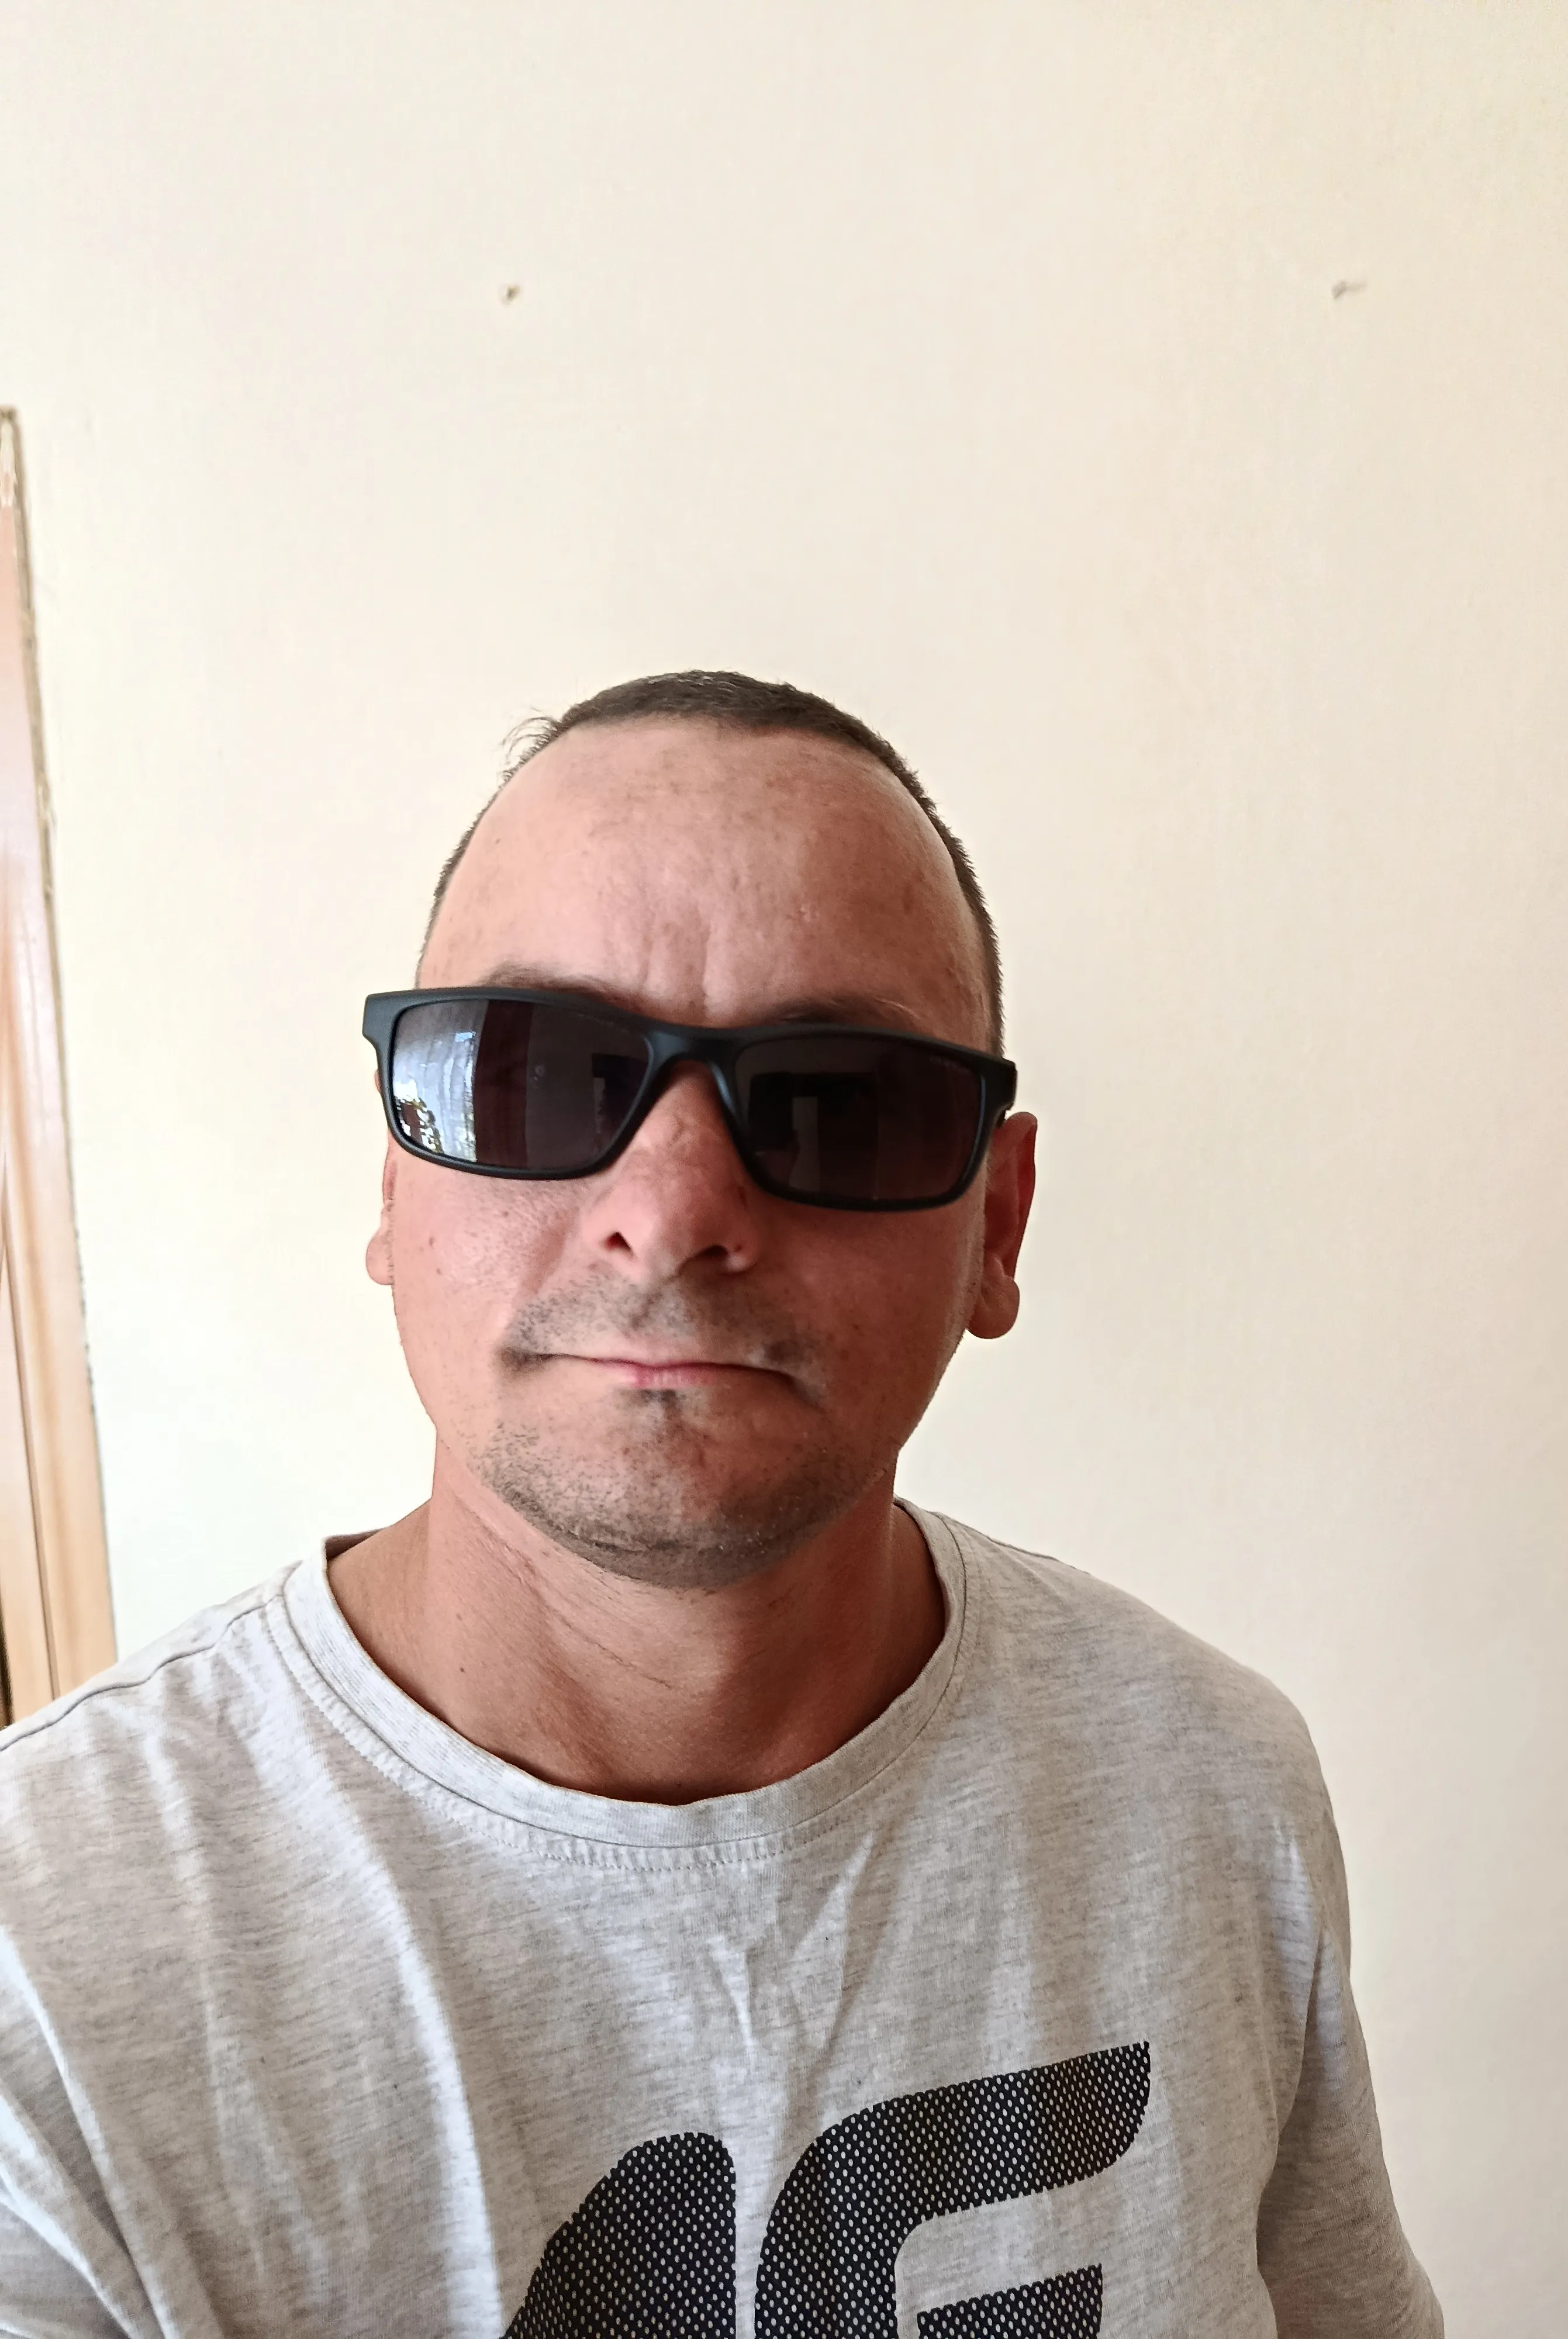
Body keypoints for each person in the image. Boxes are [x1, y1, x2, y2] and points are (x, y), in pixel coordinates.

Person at [0, 672, 1442, 2337]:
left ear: (999, 1224)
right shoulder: (48, 1962)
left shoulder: (1211, 1786)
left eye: (840, 1101)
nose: (673, 1209)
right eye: (537, 1076)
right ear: (397, 1175)